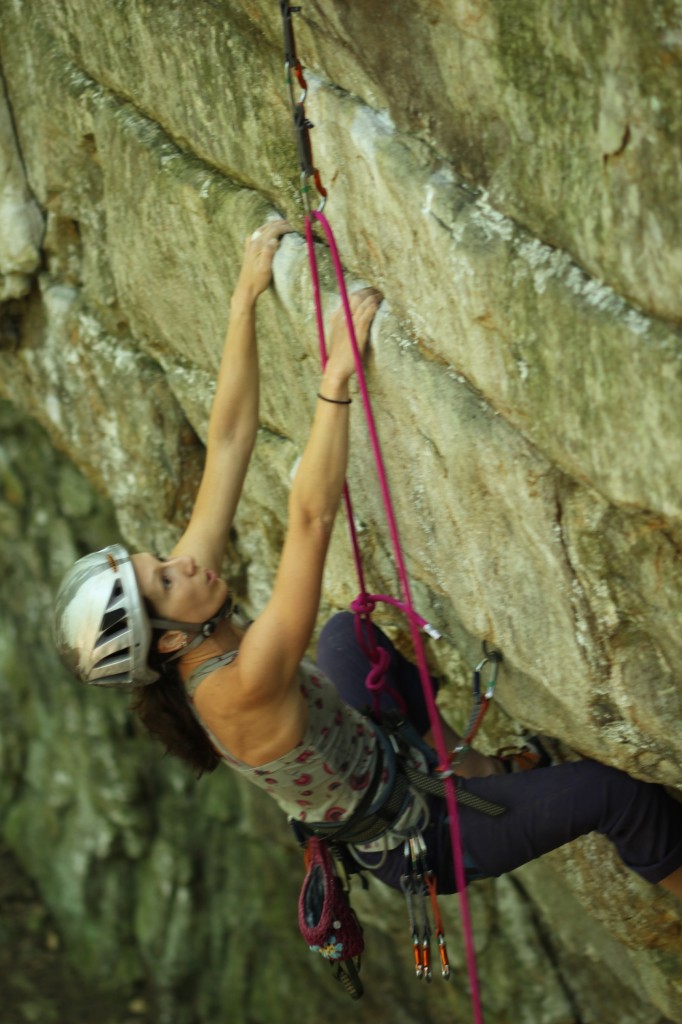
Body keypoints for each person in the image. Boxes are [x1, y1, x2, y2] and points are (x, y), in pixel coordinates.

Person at [53, 218, 682, 901]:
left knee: (346, 636)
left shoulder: (187, 626)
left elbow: (230, 441)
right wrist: (337, 378)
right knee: (616, 795)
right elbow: (311, 520)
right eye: (167, 579)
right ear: (172, 639)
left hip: (385, 757)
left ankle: (474, 767)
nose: (184, 562)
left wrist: (245, 296)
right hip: (427, 837)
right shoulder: (237, 691)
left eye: (163, 562)